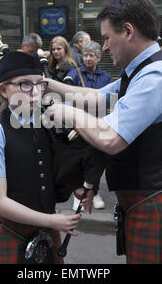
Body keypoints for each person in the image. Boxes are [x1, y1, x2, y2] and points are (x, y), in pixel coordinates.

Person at [45, 0, 162, 264]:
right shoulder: (139, 70)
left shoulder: (156, 76)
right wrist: (45, 83)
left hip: (157, 205)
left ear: (128, 31)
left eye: (107, 38)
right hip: (147, 202)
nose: (104, 47)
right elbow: (94, 97)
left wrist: (66, 112)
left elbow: (111, 138)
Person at [0, 51, 82, 264]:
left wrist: (78, 185)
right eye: (25, 85)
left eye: (39, 84)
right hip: (10, 231)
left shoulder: (45, 122)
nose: (35, 93)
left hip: (46, 229)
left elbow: (48, 171)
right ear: (3, 90)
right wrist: (52, 220)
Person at [66, 41, 112, 210]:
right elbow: (68, 97)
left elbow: (108, 101)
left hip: (98, 123)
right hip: (79, 124)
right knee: (78, 159)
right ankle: (78, 194)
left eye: (91, 55)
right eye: (85, 55)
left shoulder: (106, 77)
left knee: (97, 159)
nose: (87, 58)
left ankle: (96, 191)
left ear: (99, 57)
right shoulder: (74, 74)